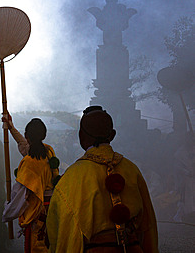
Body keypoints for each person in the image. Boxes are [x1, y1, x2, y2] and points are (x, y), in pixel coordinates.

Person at [46, 106, 158, 253]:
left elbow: (63, 235)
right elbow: (148, 227)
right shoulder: (132, 170)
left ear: (81, 136)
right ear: (112, 135)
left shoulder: (72, 176)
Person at [2, 118, 59, 253]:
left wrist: (8, 211)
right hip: (52, 210)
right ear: (44, 135)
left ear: (27, 136)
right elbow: (25, 145)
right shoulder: (48, 151)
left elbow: (20, 195)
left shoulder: (29, 162)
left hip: (37, 214)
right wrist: (11, 128)